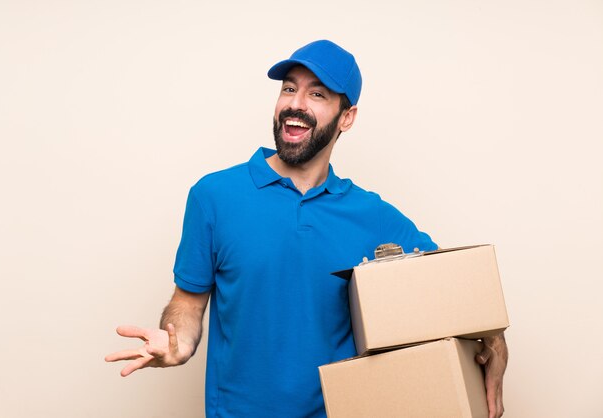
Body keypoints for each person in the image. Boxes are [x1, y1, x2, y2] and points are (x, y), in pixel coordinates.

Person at [105, 40, 508, 418]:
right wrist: (176, 342)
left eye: (317, 94)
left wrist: (493, 340)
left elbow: (455, 291)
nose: (295, 105)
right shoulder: (214, 195)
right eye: (288, 89)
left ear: (346, 117)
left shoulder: (372, 215)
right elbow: (188, 304)